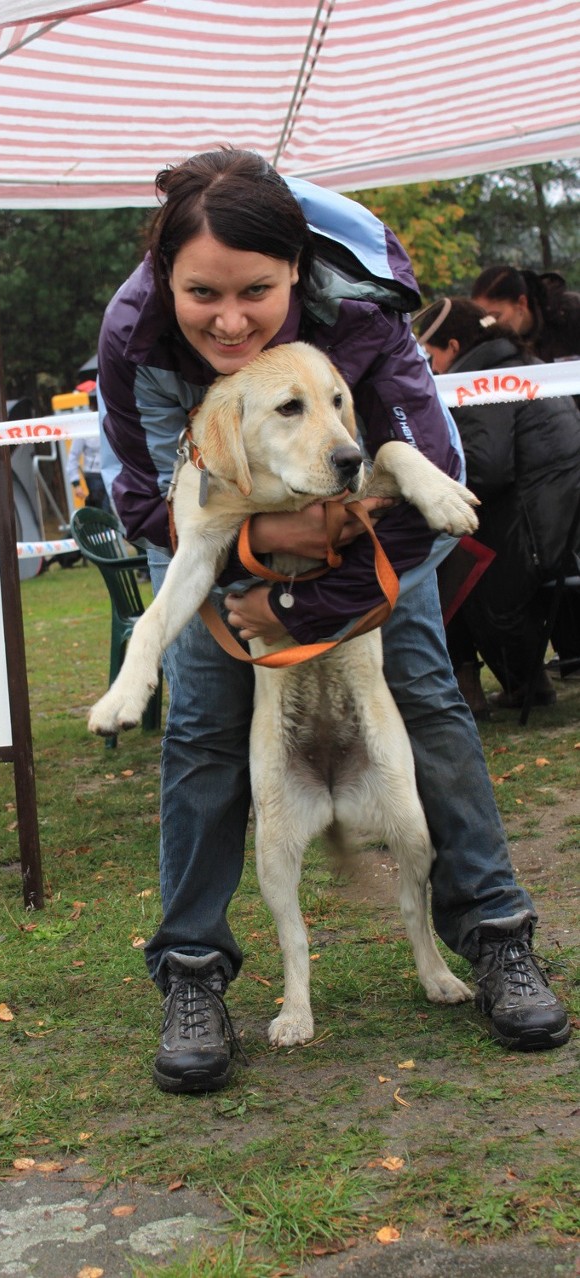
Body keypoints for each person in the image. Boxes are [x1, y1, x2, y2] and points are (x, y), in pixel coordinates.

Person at [97, 148, 570, 1094]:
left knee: (430, 696)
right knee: (200, 724)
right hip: (214, 525)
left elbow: (431, 479)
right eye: (203, 294)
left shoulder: (368, 313)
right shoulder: (137, 336)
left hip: (380, 529)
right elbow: (153, 506)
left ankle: (497, 936)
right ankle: (191, 972)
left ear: (297, 277)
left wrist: (300, 599)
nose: (228, 319)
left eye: (256, 292)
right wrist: (259, 552)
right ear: (166, 281)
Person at [416, 297, 580, 713]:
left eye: (429, 357)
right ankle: (512, 681)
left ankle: (480, 684)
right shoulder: (521, 364)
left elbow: (485, 469)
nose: (428, 369)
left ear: (452, 347)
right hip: (559, 526)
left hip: (534, 535)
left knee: (438, 567)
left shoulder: (479, 382)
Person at [471, 265, 580, 365]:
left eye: (495, 317)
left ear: (522, 303)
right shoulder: (486, 340)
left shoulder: (572, 314)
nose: (490, 326)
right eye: (484, 321)